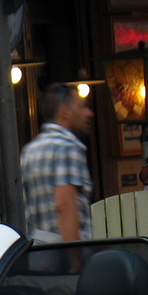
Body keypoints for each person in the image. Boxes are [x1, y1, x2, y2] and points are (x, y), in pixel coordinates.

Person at [21, 82, 94, 242]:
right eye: (82, 107)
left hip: (38, 250)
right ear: (64, 112)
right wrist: (74, 258)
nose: (89, 113)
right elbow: (64, 204)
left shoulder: (29, 151)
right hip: (62, 252)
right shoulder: (68, 147)